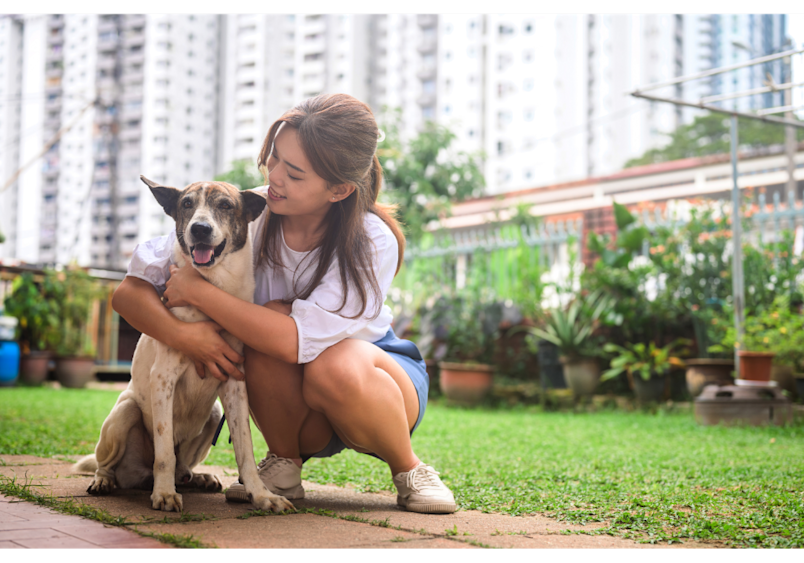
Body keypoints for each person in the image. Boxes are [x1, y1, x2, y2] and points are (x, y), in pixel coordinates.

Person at [112, 93, 457, 514]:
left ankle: (410, 469)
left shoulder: (370, 238)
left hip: (374, 387)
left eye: (293, 174)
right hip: (297, 407)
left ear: (339, 189)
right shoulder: (240, 216)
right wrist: (186, 336)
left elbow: (296, 340)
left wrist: (200, 292)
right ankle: (284, 463)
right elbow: (128, 293)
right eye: (273, 159)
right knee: (262, 326)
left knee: (320, 354)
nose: (274, 177)